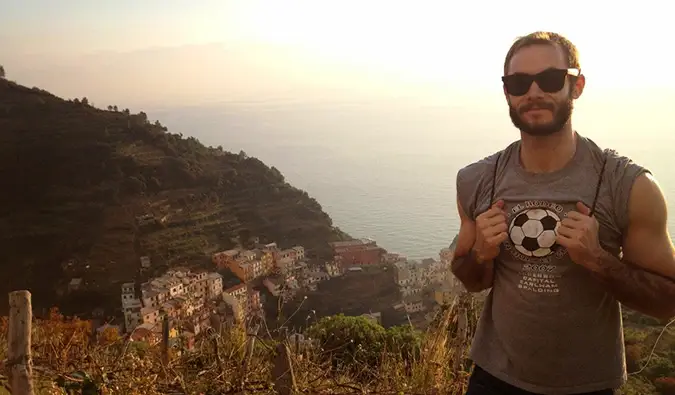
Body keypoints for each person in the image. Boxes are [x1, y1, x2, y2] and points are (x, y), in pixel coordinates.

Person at [451, 31, 675, 395]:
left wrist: (598, 259)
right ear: (507, 92)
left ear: (577, 85)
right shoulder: (476, 180)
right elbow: (472, 279)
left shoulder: (628, 186)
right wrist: (482, 254)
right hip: (494, 377)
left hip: (588, 385)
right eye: (520, 82)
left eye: (551, 79)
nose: (534, 92)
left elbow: (668, 301)